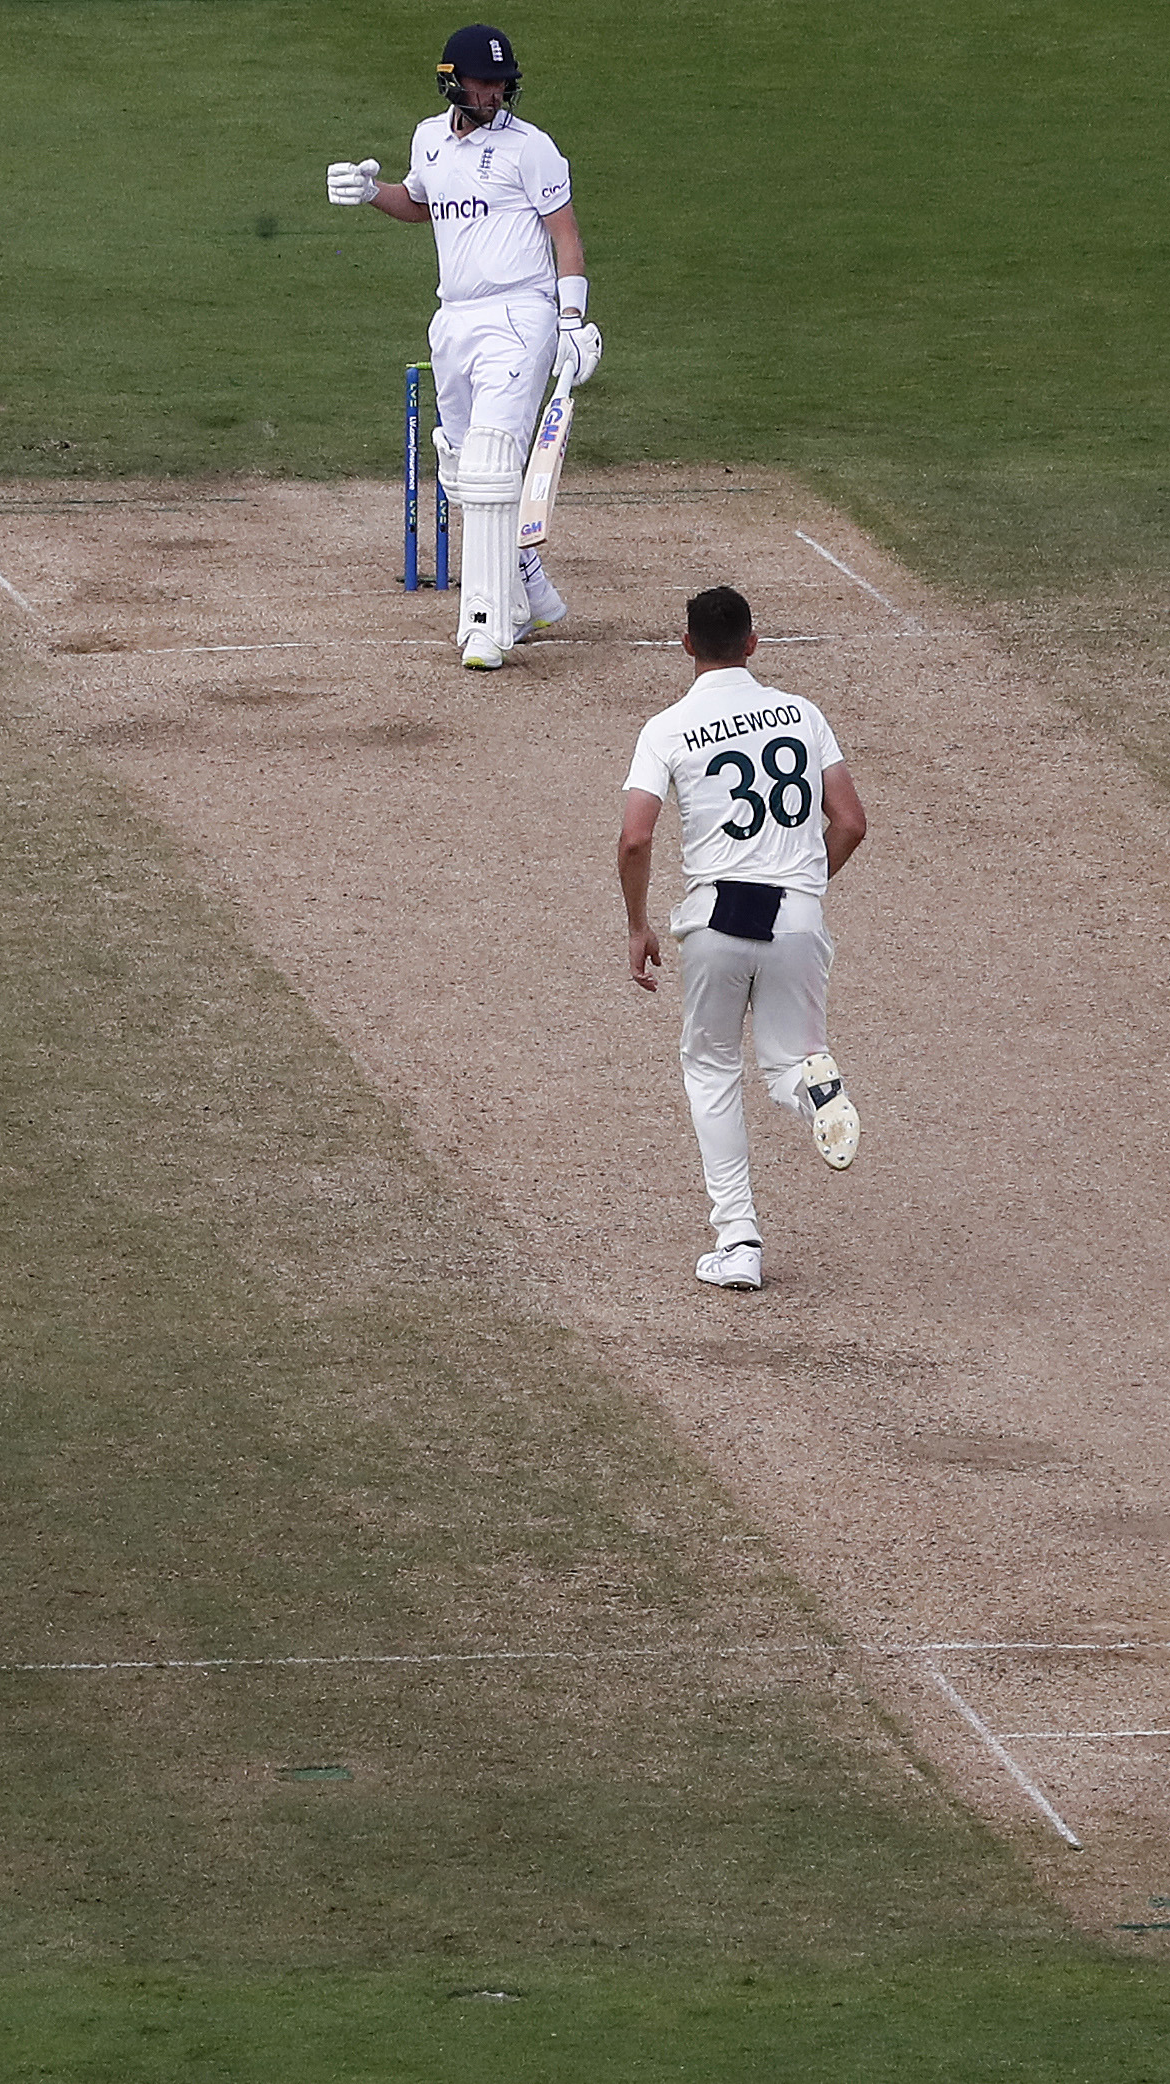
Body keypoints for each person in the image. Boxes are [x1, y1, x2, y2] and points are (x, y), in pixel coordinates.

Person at [328, 24, 601, 670]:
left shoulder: (531, 149)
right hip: (453, 317)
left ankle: (485, 626)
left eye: (503, 84)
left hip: (520, 314)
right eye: (484, 82)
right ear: (453, 81)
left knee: (490, 459)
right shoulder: (428, 139)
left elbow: (565, 236)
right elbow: (422, 204)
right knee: (457, 464)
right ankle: (529, 589)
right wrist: (372, 194)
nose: (496, 93)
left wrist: (571, 320)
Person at [617, 586, 867, 1290]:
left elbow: (636, 836)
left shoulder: (666, 728)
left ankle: (739, 1241)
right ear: (753, 643)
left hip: (718, 917)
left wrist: (637, 924)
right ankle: (820, 1091)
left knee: (710, 1067)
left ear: (687, 644)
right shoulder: (802, 713)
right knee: (793, 1061)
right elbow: (849, 821)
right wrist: (806, 890)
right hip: (796, 915)